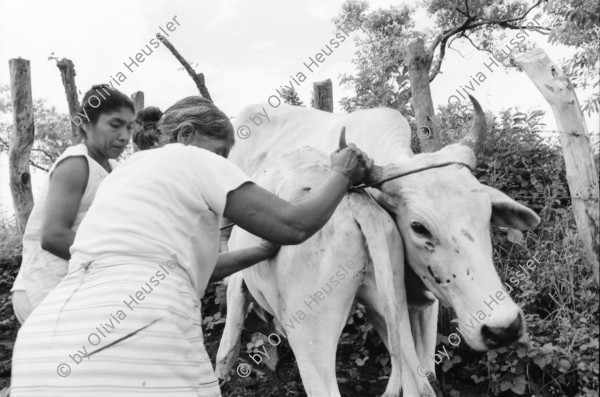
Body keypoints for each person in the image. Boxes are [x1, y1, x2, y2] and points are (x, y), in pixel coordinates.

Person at [10, 96, 373, 397]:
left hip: (41, 346)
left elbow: (184, 267)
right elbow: (294, 224)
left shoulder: (120, 176)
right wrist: (342, 173)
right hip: (139, 333)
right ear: (186, 135)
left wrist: (260, 252)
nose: (222, 163)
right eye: (220, 152)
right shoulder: (188, 157)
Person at [10, 84, 136, 324]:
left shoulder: (114, 170)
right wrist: (119, 261)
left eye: (129, 127)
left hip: (78, 289)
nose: (124, 136)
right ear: (86, 124)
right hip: (45, 288)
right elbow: (53, 237)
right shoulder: (76, 164)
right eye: (115, 124)